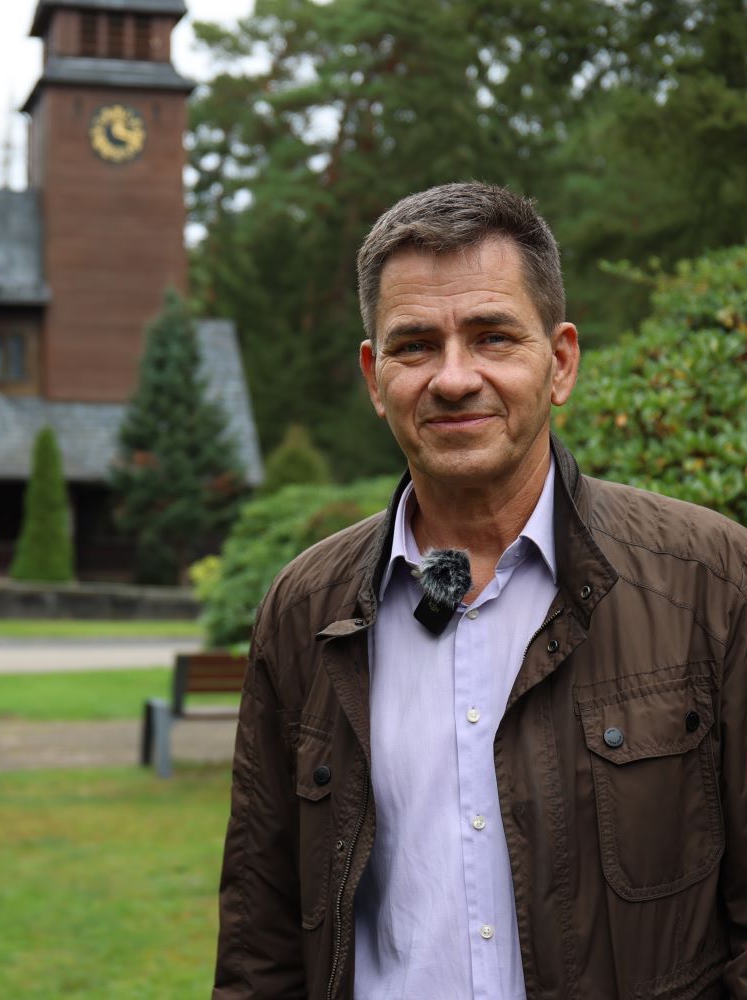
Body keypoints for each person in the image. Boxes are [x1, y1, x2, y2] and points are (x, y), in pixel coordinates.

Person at [212, 182, 747, 999]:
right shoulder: (305, 611)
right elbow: (262, 934)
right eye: (416, 345)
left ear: (560, 361)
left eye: (493, 337)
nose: (454, 378)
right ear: (373, 374)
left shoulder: (711, 583)